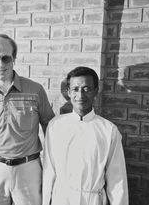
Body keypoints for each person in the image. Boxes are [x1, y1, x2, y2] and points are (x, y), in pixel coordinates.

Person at [0, 34, 55, 205]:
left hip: (29, 168)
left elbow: (50, 129)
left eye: (6, 58)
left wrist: (52, 170)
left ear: (14, 59)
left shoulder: (35, 90)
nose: (0, 65)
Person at [42, 66, 129, 205]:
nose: (80, 95)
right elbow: (48, 171)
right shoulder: (55, 126)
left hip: (92, 199)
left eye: (86, 89)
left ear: (96, 91)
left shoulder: (108, 130)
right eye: (75, 89)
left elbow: (117, 178)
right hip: (61, 198)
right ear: (69, 92)